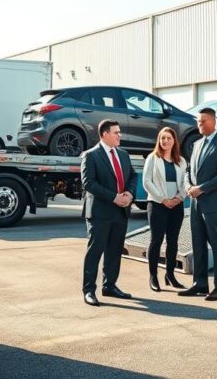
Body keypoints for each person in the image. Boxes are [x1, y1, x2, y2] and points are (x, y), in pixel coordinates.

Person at [178, 107, 217, 301]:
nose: (199, 124)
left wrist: (201, 188)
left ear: (213, 121)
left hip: (212, 204)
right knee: (198, 244)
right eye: (198, 121)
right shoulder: (196, 144)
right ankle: (200, 283)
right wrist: (187, 186)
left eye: (203, 121)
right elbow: (188, 171)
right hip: (195, 203)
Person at [81, 119, 137, 306]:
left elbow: (133, 176)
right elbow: (89, 183)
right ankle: (89, 290)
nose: (119, 135)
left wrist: (129, 193)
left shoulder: (123, 155)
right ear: (104, 134)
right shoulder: (91, 155)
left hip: (120, 212)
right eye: (116, 132)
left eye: (119, 132)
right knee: (95, 252)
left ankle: (110, 286)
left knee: (114, 252)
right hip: (100, 212)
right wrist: (114, 197)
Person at [142, 127, 189, 292]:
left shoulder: (181, 161)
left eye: (169, 138)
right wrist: (163, 200)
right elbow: (147, 182)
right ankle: (153, 276)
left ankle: (170, 275)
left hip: (176, 206)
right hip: (157, 205)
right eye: (163, 138)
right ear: (159, 141)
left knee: (173, 241)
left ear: (174, 141)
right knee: (156, 241)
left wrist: (178, 198)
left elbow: (185, 184)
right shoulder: (152, 158)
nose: (165, 141)